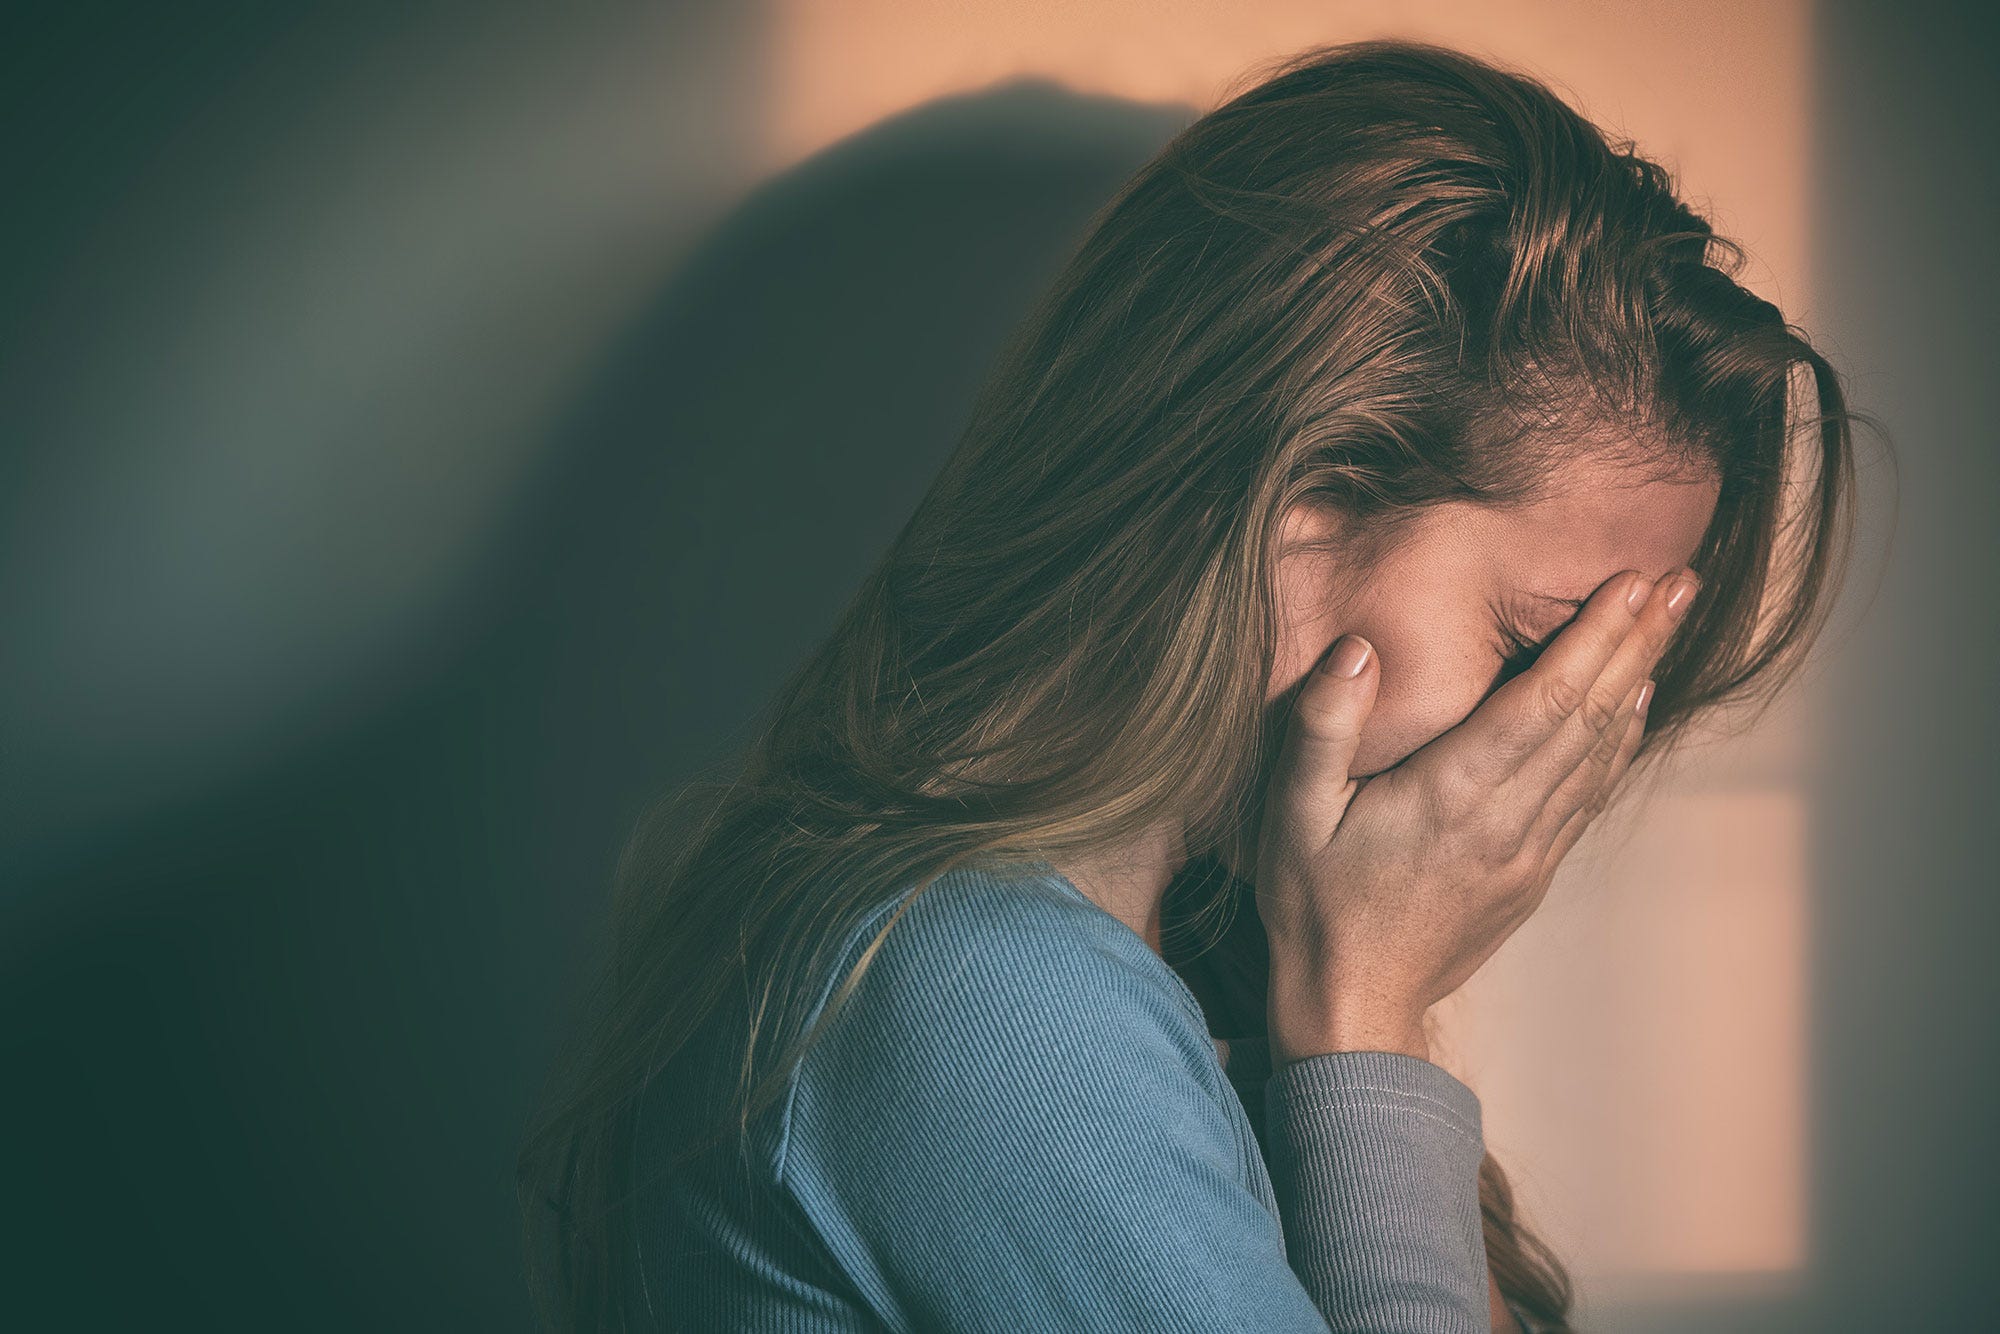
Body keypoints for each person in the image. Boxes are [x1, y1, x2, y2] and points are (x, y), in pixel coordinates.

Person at [518, 37, 1856, 1333]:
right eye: (1538, 644)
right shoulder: (977, 993)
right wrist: (1367, 1013)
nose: (1581, 737)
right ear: (1303, 509)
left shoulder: (1165, 959)